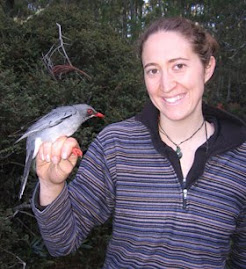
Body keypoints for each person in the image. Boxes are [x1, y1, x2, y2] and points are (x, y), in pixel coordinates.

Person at [32, 17, 246, 268]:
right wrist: (50, 185)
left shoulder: (240, 159)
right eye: (153, 70)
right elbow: (62, 242)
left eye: (178, 66)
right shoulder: (116, 145)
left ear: (207, 67)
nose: (166, 85)